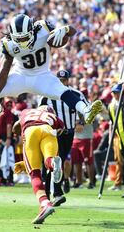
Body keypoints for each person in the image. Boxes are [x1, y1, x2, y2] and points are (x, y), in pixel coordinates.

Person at [0, 13, 103, 131]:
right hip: (20, 75)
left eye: (24, 37)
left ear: (31, 30)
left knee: (64, 92)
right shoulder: (7, 43)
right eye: (19, 39)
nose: (23, 42)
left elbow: (73, 31)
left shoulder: (43, 28)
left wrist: (65, 29)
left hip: (42, 76)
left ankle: (86, 110)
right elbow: (4, 69)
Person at [12, 106, 63, 224]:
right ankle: (53, 164)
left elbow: (15, 127)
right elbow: (60, 129)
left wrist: (19, 132)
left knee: (34, 173)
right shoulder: (53, 116)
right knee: (49, 160)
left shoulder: (27, 111)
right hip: (48, 129)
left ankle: (45, 203)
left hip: (30, 131)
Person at [39, 70, 81, 204]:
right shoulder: (46, 95)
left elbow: (84, 110)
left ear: (68, 80)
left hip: (68, 133)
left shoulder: (75, 94)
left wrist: (82, 121)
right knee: (54, 162)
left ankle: (50, 193)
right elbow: (40, 113)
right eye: (60, 80)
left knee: (59, 162)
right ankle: (55, 192)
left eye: (64, 80)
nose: (62, 82)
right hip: (53, 134)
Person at [0, 98, 15, 186]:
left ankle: (6, 179)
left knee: (4, 159)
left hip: (3, 138)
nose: (9, 106)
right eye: (7, 104)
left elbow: (9, 125)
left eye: (10, 104)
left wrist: (8, 138)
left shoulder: (7, 113)